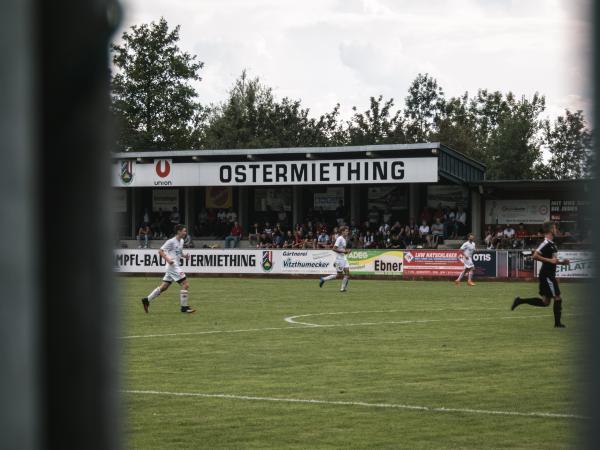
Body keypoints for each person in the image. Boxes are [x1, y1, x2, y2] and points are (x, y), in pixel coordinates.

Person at [511, 222, 570, 328]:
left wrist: (562, 262)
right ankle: (557, 324)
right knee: (558, 297)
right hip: (546, 275)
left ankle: (520, 300)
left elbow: (553, 260)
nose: (556, 230)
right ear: (550, 230)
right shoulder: (545, 243)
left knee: (545, 302)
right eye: (555, 228)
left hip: (549, 274)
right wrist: (550, 261)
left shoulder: (552, 244)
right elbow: (535, 256)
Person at [141, 224, 196, 314]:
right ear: (179, 231)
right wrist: (168, 259)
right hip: (173, 266)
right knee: (185, 284)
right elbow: (160, 251)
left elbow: (179, 252)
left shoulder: (181, 241)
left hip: (173, 266)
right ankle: (184, 308)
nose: (185, 233)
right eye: (184, 231)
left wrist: (185, 256)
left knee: (164, 287)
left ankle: (146, 300)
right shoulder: (171, 241)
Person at [318, 226, 351, 292]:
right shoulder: (340, 238)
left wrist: (347, 251)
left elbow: (342, 249)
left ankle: (342, 289)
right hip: (339, 259)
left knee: (347, 273)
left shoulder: (345, 239)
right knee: (338, 275)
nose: (347, 232)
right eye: (346, 231)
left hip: (344, 258)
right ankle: (323, 279)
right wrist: (344, 251)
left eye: (348, 231)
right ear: (342, 232)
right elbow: (334, 249)